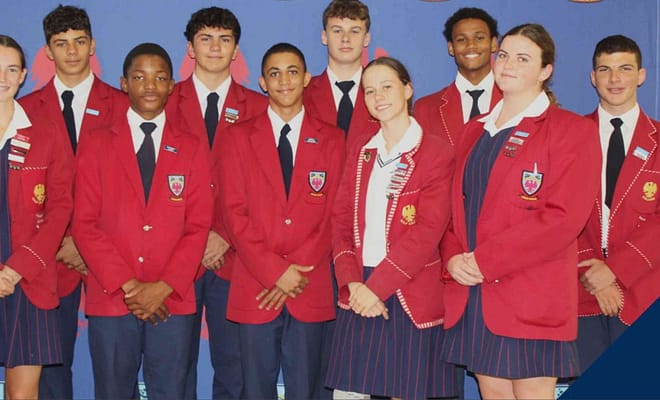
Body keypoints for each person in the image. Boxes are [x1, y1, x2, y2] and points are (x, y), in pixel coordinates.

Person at [440, 24, 601, 399]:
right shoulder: (473, 130)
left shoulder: (571, 130)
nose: (508, 64)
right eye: (504, 55)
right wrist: (452, 257)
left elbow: (563, 219)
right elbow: (454, 209)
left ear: (546, 71)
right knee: (492, 392)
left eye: (523, 58)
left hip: (532, 293)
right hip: (476, 293)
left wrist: (485, 260)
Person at [71, 42, 212, 399]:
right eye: (139, 77)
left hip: (172, 298)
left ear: (171, 85)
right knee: (113, 391)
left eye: (160, 78)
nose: (150, 86)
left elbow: (198, 226)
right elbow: (84, 224)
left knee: (172, 391)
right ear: (124, 83)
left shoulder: (192, 146)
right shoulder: (96, 144)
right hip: (112, 295)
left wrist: (163, 286)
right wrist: (130, 286)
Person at [216, 42, 344, 399]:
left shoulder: (333, 139)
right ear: (262, 83)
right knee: (254, 389)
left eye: (292, 72)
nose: (284, 81)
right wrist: (275, 271)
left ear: (306, 78)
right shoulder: (238, 137)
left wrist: (294, 272)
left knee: (308, 389)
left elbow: (335, 213)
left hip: (309, 282)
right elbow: (233, 213)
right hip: (256, 284)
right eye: (274, 73)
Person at [326, 56, 456, 399]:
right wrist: (352, 283)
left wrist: (377, 288)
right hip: (359, 287)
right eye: (369, 91)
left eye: (386, 87)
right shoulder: (361, 149)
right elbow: (340, 219)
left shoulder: (436, 152)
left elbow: (427, 231)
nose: (378, 96)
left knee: (406, 392)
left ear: (408, 89)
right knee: (351, 394)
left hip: (407, 286)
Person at [18, 6, 125, 399]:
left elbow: (132, 186)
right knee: (52, 368)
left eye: (79, 41)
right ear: (48, 51)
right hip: (52, 255)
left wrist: (88, 241)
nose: (72, 51)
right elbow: (22, 190)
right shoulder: (25, 110)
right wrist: (60, 241)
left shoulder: (123, 104)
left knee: (119, 366)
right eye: (61, 44)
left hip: (111, 254)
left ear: (92, 45)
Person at [167, 7, 268, 399]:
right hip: (175, 255)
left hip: (236, 257)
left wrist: (224, 234)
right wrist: (196, 238)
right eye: (205, 39)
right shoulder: (163, 101)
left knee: (235, 367)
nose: (215, 47)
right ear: (190, 48)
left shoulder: (259, 107)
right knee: (173, 367)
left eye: (224, 40)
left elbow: (266, 186)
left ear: (236, 50)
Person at [576, 34, 660, 372]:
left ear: (641, 75)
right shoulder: (569, 136)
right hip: (580, 291)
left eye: (625, 69)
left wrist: (615, 271)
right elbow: (556, 214)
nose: (614, 79)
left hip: (644, 289)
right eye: (605, 69)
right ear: (592, 77)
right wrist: (592, 272)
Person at [0, 34, 74, 400]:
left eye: (11, 69)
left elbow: (60, 208)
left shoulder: (46, 133)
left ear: (24, 75)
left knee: (22, 395)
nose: (3, 78)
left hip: (27, 279)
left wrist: (17, 269)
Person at [414, 7, 502, 148]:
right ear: (451, 48)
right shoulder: (426, 109)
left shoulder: (515, 100)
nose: (471, 45)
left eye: (479, 38)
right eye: (461, 40)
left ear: (493, 44)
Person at [303, 0, 379, 144]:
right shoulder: (302, 94)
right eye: (337, 31)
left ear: (366, 39)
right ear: (324, 37)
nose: (345, 39)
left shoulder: (383, 94)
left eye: (354, 31)